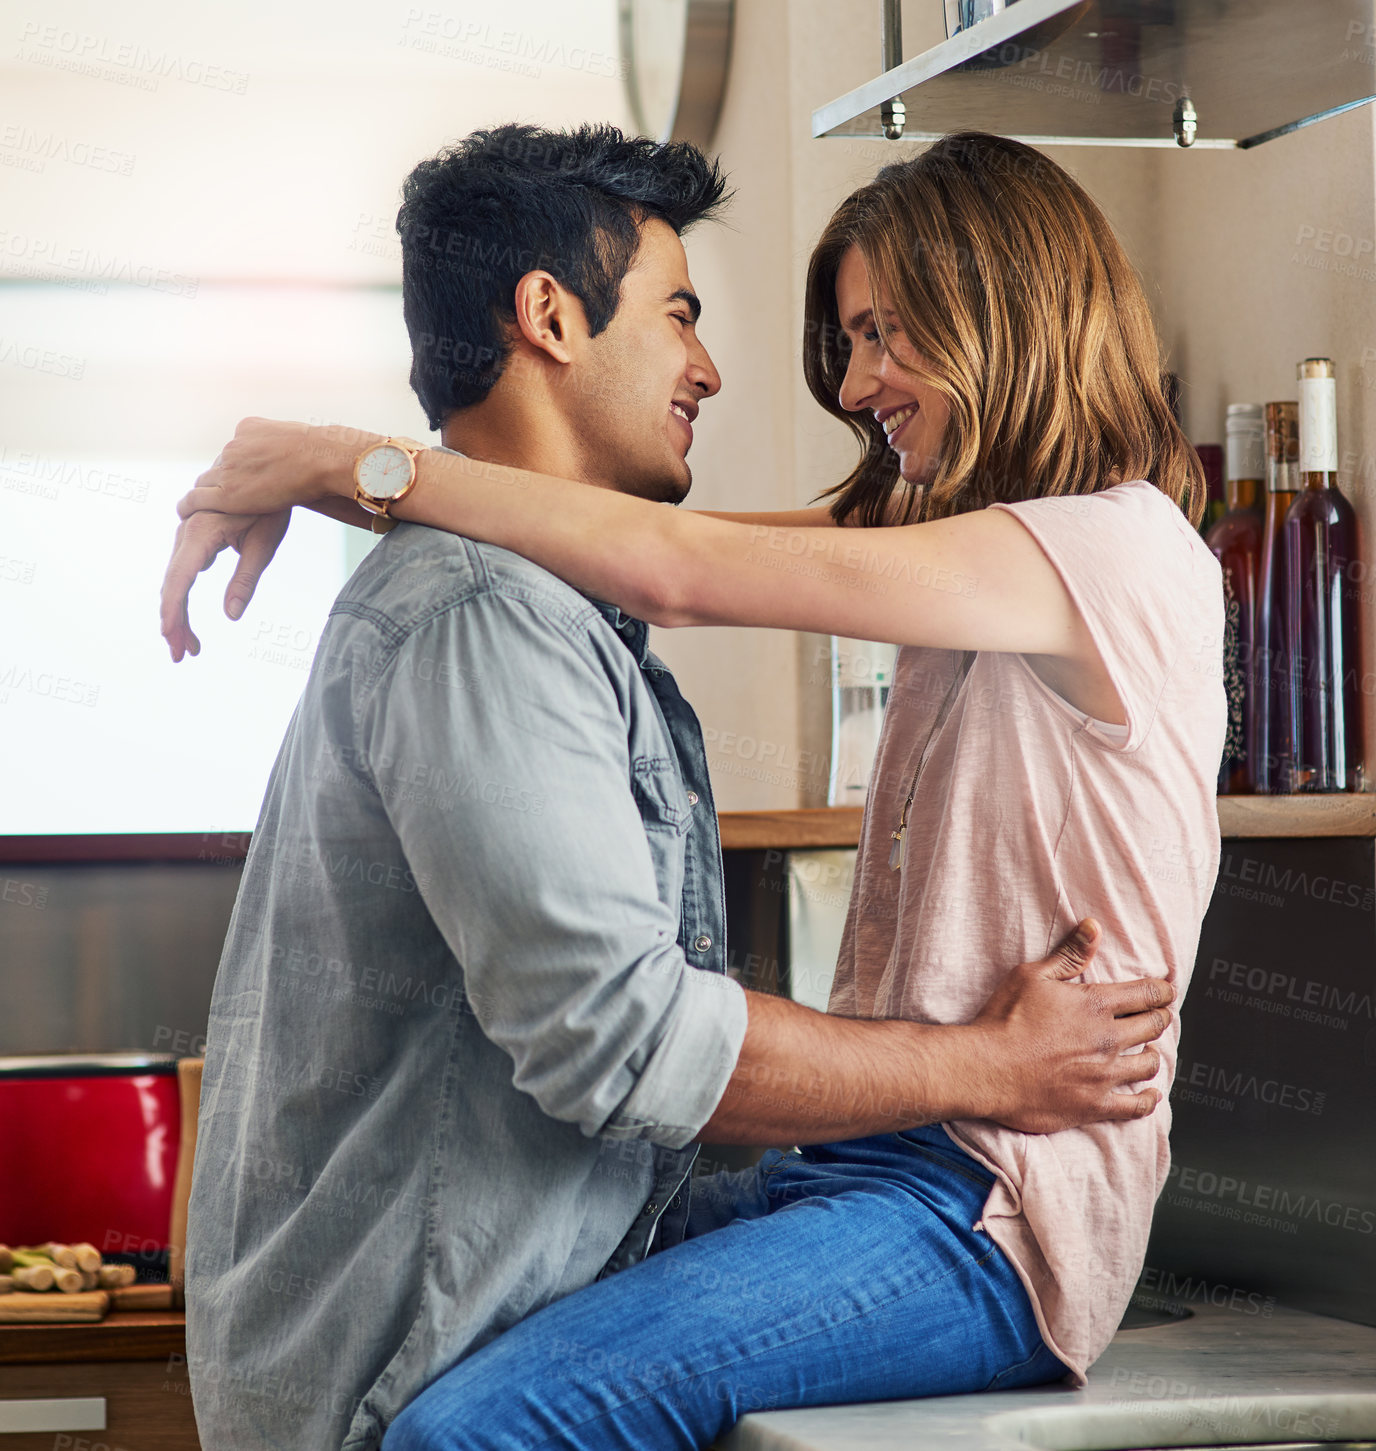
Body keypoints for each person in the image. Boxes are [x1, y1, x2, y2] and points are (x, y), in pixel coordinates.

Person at [162, 128, 1202, 1451]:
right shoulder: (971, 549)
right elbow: (652, 548)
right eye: (857, 341)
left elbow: (672, 568)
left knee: (466, 1434)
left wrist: (343, 463)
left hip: (992, 1195)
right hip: (888, 1165)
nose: (862, 383)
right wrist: (361, 483)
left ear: (1005, 314)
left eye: (891, 335)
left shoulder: (1098, 552)